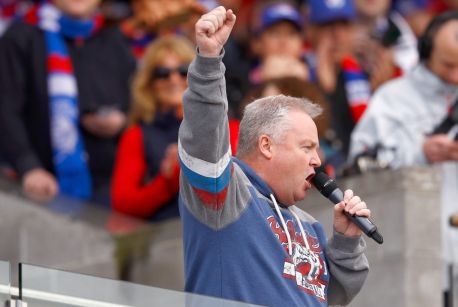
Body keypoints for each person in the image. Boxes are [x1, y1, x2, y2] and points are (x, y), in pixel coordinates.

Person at [178, 6, 370, 306]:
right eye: (306, 147)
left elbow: (333, 298)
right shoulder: (226, 195)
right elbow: (205, 132)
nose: (318, 160)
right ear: (267, 145)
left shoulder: (311, 226)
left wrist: (346, 242)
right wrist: (208, 60)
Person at [348, 11, 458, 305]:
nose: (455, 75)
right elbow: (360, 167)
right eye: (448, 64)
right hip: (418, 253)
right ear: (424, 53)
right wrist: (421, 153)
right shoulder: (392, 99)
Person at [0, 0, 135, 204]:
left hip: (111, 182)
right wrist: (28, 166)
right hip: (41, 185)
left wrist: (122, 119)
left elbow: (138, 100)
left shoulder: (113, 38)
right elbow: (6, 109)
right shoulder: (22, 36)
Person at [111, 36, 195, 221]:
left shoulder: (222, 125)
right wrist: (167, 181)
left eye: (183, 71)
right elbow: (123, 203)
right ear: (149, 84)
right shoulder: (137, 135)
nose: (174, 79)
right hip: (164, 241)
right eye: (163, 72)